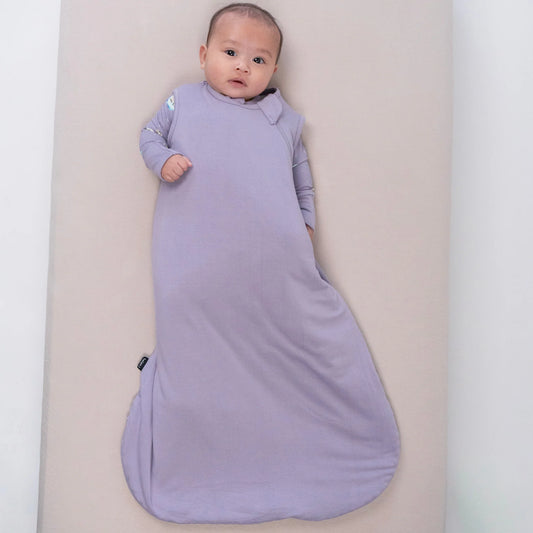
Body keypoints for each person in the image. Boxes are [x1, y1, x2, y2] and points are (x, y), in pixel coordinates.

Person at [121, 2, 400, 525]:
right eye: (230, 52)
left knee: (294, 331)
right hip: (193, 260)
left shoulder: (283, 120)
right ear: (204, 55)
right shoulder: (183, 102)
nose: (242, 67)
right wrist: (164, 160)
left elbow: (302, 180)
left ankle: (309, 435)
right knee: (193, 342)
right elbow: (148, 135)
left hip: (270, 259)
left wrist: (306, 224)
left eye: (258, 59)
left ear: (273, 69)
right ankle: (206, 454)